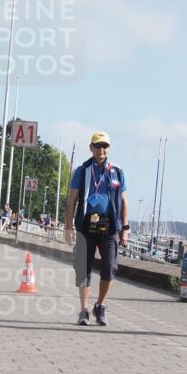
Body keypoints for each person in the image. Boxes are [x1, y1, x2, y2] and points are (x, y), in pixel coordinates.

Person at [63, 131, 129, 326]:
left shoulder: (117, 171)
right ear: (90, 148)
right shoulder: (82, 171)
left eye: (105, 146)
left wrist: (125, 228)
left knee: (109, 267)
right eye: (98, 145)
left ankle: (99, 305)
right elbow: (72, 199)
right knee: (83, 269)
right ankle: (84, 310)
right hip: (86, 226)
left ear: (109, 148)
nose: (101, 149)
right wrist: (68, 227)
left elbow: (124, 201)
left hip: (109, 227)